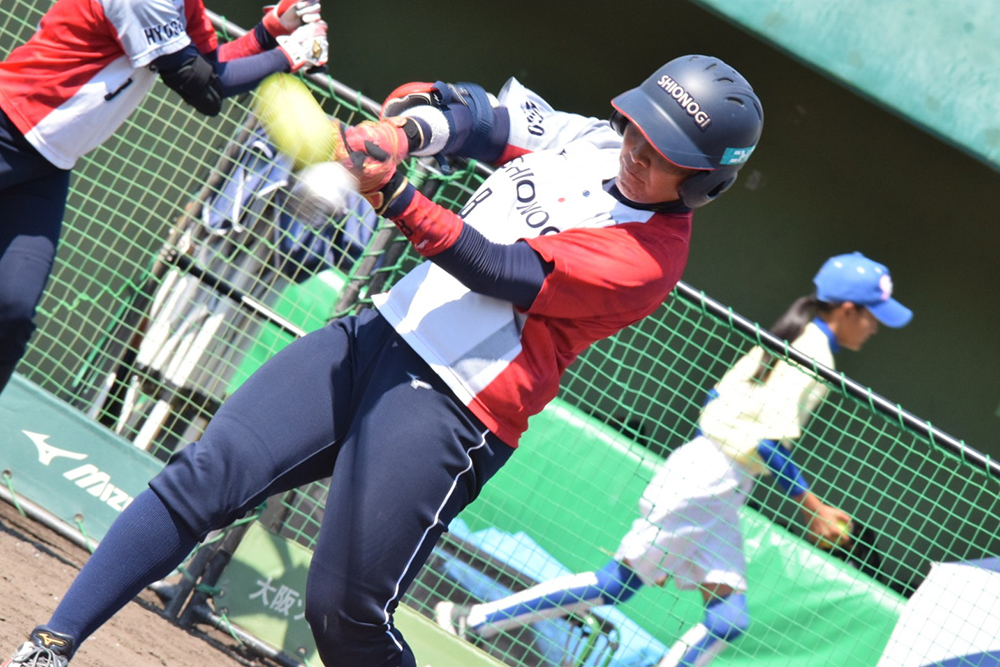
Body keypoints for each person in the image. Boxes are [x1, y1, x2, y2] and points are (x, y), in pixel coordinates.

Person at [3, 53, 763, 667]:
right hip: (381, 333)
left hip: (457, 406)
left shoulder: (648, 258)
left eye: (664, 155)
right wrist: (406, 131)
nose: (636, 151)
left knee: (344, 611)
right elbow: (479, 118)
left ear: (703, 183)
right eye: (638, 128)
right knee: (205, 474)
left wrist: (394, 193)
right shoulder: (591, 141)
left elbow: (499, 269)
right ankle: (50, 646)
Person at [433, 251, 913, 666]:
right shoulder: (814, 354)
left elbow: (714, 398)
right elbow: (768, 443)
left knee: (729, 619)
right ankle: (474, 620)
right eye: (872, 316)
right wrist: (813, 506)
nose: (874, 327)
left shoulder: (789, 337)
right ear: (847, 310)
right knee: (614, 585)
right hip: (710, 479)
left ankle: (476, 620)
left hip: (716, 480)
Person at [0, 0, 329, 397]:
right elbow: (204, 87)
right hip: (7, 125)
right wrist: (291, 55)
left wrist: (270, 32)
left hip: (49, 168)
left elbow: (212, 66)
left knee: (12, 310)